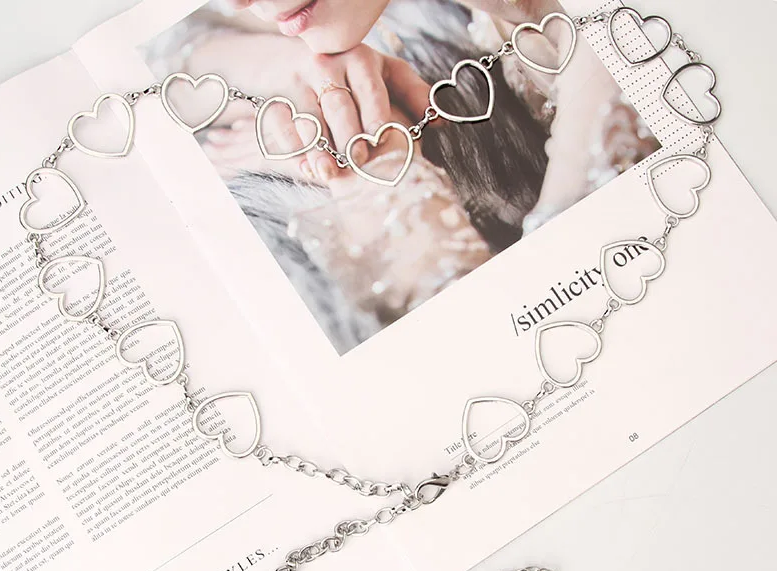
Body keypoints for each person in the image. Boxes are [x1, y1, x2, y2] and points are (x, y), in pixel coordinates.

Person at [146, 0, 655, 353]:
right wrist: (286, 65)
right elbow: (172, 47)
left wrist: (379, 174)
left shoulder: (619, 45)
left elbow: (526, 333)